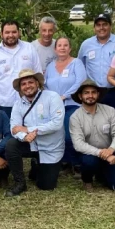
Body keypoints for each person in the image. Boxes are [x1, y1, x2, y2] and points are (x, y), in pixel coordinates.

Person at [5, 69, 65, 197]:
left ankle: (37, 165)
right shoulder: (18, 104)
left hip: (51, 148)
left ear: (37, 83)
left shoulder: (53, 97)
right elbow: (14, 128)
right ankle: (20, 183)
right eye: (24, 84)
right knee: (11, 145)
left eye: (30, 82)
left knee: (46, 186)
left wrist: (28, 129)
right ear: (20, 88)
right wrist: (25, 136)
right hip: (31, 144)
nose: (27, 86)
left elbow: (56, 124)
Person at [69, 80, 115, 192]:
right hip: (90, 155)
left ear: (98, 94)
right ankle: (87, 180)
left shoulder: (110, 111)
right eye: (86, 93)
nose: (90, 95)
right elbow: (78, 144)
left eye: (93, 92)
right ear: (80, 96)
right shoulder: (75, 117)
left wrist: (110, 149)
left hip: (110, 152)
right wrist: (101, 153)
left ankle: (101, 174)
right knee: (89, 162)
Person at [44, 37, 88, 170]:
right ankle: (62, 161)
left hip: (72, 103)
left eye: (65, 45)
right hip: (53, 106)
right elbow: (44, 85)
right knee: (56, 134)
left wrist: (64, 96)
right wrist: (53, 98)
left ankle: (76, 162)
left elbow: (80, 82)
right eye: (59, 45)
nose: (62, 48)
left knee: (69, 135)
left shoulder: (77, 63)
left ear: (70, 48)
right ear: (55, 49)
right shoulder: (50, 66)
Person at [0, 20, 43, 118]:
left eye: (14, 32)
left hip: (28, 101)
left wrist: (38, 98)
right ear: (1, 34)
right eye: (7, 32)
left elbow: (38, 74)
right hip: (3, 103)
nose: (11, 35)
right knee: (6, 132)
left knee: (28, 131)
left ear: (19, 33)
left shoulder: (29, 48)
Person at [79, 13, 115, 109]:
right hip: (93, 93)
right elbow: (80, 66)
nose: (101, 28)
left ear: (110, 26)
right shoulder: (86, 44)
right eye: (98, 25)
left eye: (104, 24)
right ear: (94, 28)